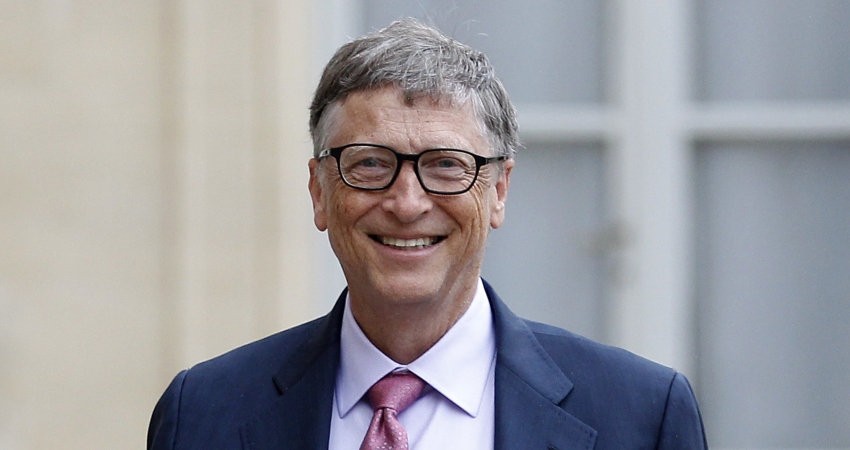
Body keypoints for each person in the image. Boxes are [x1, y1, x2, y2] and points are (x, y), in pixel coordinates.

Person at [147, 18, 707, 449]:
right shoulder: (202, 413)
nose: (407, 203)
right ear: (319, 191)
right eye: (368, 164)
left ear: (498, 191)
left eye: (445, 165)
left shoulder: (638, 415)